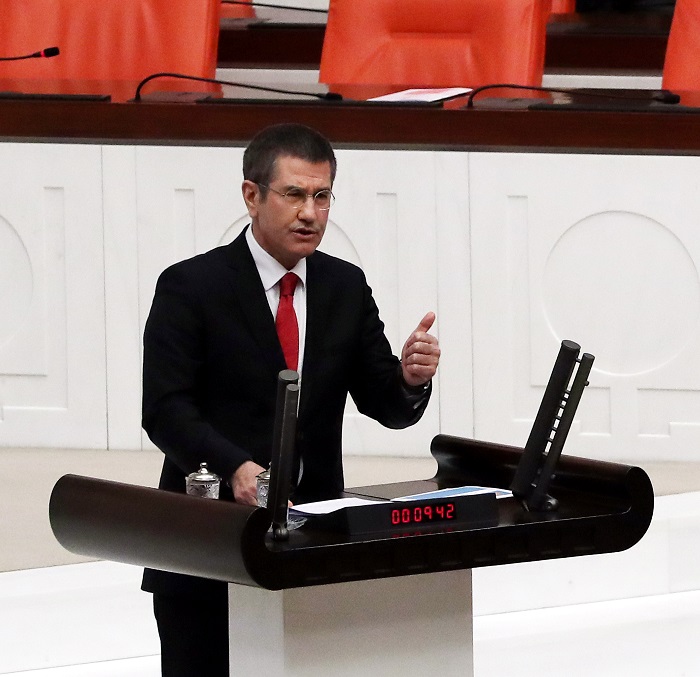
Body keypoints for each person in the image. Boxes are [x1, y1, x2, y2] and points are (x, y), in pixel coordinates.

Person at [140, 122, 441, 676]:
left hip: (313, 542)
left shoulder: (344, 286)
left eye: (322, 196)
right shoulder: (191, 286)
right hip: (209, 543)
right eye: (294, 194)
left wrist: (409, 378)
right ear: (251, 195)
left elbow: (385, 404)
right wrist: (235, 468)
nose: (310, 213)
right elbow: (165, 408)